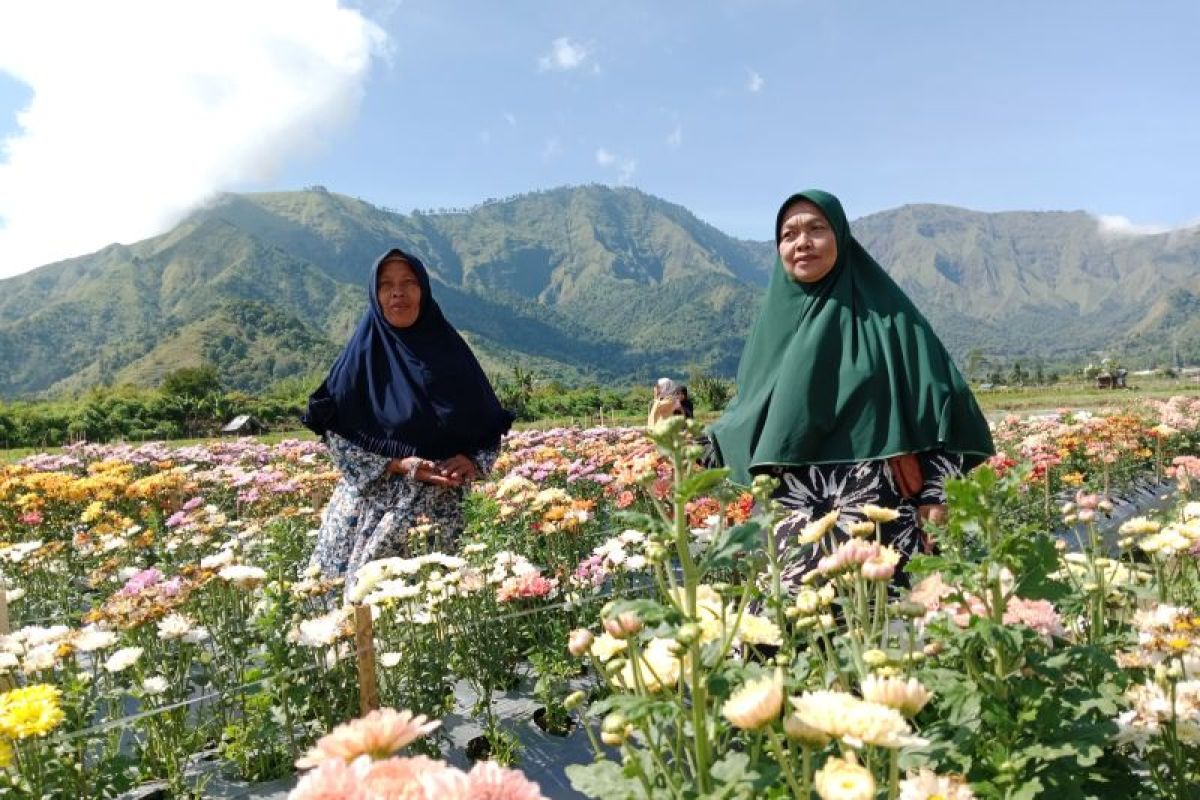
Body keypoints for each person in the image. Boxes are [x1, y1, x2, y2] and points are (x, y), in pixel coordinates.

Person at [707, 190, 993, 589]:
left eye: (816, 229)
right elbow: (746, 416)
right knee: (790, 636)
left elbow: (943, 403)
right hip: (793, 525)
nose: (802, 242)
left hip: (881, 521)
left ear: (840, 237)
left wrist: (935, 495)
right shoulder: (770, 331)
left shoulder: (889, 318)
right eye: (788, 234)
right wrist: (686, 439)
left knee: (885, 634)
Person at [302, 248, 513, 588]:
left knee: (444, 612)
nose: (397, 292)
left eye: (408, 283)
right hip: (375, 516)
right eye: (386, 285)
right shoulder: (360, 360)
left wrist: (472, 460)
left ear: (423, 290)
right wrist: (399, 464)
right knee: (367, 611)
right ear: (376, 295)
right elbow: (337, 436)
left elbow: (486, 425)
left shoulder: (452, 354)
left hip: (446, 514)